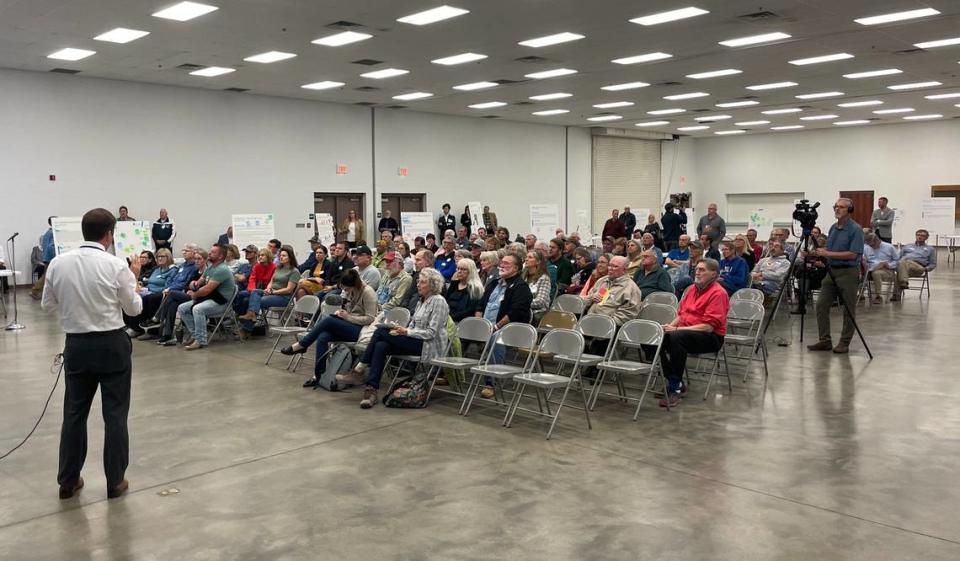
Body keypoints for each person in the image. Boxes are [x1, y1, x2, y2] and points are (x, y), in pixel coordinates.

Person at [41, 207, 142, 500]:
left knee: (74, 414)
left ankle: (68, 481)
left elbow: (47, 305)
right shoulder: (115, 266)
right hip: (112, 344)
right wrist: (133, 279)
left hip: (77, 346)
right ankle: (115, 481)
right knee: (115, 415)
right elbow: (133, 308)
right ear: (109, 234)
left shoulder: (59, 264)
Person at [336, 268, 449, 408]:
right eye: (418, 281)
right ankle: (371, 390)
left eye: (423, 282)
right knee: (381, 345)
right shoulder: (421, 301)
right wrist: (399, 329)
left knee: (380, 333)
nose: (418, 284)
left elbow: (431, 333)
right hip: (416, 340)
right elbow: (414, 325)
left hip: (429, 345)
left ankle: (359, 369)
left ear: (432, 284)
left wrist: (406, 331)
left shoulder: (438, 301)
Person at [282, 268, 378, 385]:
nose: (345, 291)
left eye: (346, 289)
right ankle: (318, 375)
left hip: (362, 330)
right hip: (349, 324)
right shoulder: (350, 290)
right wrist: (343, 312)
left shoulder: (368, 292)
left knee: (328, 321)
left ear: (353, 285)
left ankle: (302, 344)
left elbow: (370, 318)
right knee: (323, 337)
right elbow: (349, 309)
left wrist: (347, 316)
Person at [658, 258, 729, 408]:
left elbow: (708, 327)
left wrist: (676, 330)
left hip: (710, 338)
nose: (697, 272)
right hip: (685, 333)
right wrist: (668, 327)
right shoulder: (691, 290)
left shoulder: (718, 293)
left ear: (713, 274)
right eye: (697, 269)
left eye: (702, 270)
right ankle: (674, 380)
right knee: (655, 337)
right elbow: (681, 315)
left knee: (678, 337)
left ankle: (674, 389)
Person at [807, 198, 864, 354]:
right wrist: (813, 253)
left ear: (849, 210)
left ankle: (844, 342)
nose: (837, 209)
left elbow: (853, 254)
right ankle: (825, 340)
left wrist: (828, 253)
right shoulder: (833, 228)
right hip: (832, 271)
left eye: (841, 207)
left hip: (848, 272)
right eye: (835, 207)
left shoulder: (855, 229)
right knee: (821, 305)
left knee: (848, 309)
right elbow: (829, 249)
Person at [475, 252, 532, 398]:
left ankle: (491, 382)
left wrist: (495, 326)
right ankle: (453, 375)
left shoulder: (521, 287)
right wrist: (478, 322)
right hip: (487, 325)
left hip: (511, 329)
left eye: (507, 263)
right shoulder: (494, 283)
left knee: (495, 338)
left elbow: (515, 313)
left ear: (517, 268)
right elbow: (480, 305)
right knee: (460, 331)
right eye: (502, 262)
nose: (502, 265)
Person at [177, 244, 237, 350]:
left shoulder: (221, 269)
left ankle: (200, 340)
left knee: (197, 309)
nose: (209, 253)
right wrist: (194, 284)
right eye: (210, 251)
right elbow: (200, 281)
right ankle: (196, 336)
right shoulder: (211, 268)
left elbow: (206, 290)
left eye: (213, 252)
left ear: (220, 256)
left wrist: (194, 294)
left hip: (221, 303)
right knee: (182, 308)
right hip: (210, 299)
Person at [237, 246, 300, 337]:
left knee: (256, 301)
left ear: (290, 257)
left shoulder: (294, 271)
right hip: (271, 293)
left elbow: (289, 289)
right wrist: (268, 288)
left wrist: (273, 292)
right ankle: (251, 315)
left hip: (284, 297)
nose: (281, 257)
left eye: (284, 255)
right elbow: (271, 281)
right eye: (280, 255)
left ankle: (246, 328)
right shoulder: (278, 268)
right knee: (254, 292)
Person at [154, 247, 204, 346]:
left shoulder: (197, 269)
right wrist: (171, 287)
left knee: (171, 293)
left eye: (198, 259)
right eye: (183, 250)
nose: (184, 252)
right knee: (172, 304)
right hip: (183, 292)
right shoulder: (183, 266)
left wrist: (172, 289)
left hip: (193, 295)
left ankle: (158, 317)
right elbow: (177, 280)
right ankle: (168, 334)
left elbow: (187, 284)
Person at [123, 249, 174, 338]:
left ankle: (142, 329)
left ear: (168, 258)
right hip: (148, 290)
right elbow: (149, 280)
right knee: (128, 295)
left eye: (162, 256)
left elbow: (169, 285)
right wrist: (142, 285)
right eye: (158, 257)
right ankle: (130, 325)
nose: (159, 259)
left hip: (160, 293)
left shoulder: (172, 270)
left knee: (148, 298)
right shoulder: (157, 269)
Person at [581, 255, 641, 326]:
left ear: (624, 270)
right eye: (609, 265)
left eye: (615, 266)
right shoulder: (602, 281)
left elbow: (628, 315)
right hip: (588, 320)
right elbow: (584, 302)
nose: (610, 268)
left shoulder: (631, 288)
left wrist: (607, 323)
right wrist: (592, 297)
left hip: (608, 327)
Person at [894, 229, 936, 301]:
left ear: (926, 238)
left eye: (922, 236)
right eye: (918, 235)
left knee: (903, 263)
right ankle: (896, 295)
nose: (919, 237)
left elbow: (933, 264)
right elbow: (898, 258)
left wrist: (926, 269)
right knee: (900, 268)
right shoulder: (907, 246)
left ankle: (903, 282)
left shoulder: (930, 249)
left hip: (918, 267)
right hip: (906, 268)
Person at [862, 232, 898, 304]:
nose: (872, 247)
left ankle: (878, 296)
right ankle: (859, 293)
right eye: (870, 245)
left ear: (877, 240)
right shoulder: (866, 247)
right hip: (869, 267)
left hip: (886, 270)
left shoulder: (889, 247)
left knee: (876, 273)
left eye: (873, 245)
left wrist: (889, 265)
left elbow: (897, 261)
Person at [30, 216, 57, 300]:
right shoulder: (53, 233)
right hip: (51, 258)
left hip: (47, 258)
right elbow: (51, 247)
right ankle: (35, 290)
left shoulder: (47, 233)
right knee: (46, 276)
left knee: (49, 276)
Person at [402, 249, 436, 314]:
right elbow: (409, 294)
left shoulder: (434, 279)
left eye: (418, 260)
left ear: (428, 262)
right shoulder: (418, 274)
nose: (415, 263)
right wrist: (403, 309)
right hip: (409, 311)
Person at [522, 249, 552, 323]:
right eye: (526, 257)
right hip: (522, 309)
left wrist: (521, 303)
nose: (526, 259)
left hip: (537, 312)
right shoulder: (522, 276)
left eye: (530, 257)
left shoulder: (544, 278)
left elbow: (540, 302)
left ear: (538, 262)